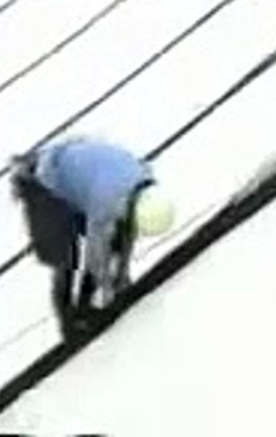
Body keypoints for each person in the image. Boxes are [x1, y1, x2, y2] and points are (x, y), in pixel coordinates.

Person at [10, 136, 166, 338]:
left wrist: (121, 276)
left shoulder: (143, 181)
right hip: (44, 182)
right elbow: (96, 250)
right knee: (65, 257)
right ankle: (69, 323)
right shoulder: (107, 201)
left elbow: (127, 233)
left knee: (116, 235)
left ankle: (88, 301)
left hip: (79, 175)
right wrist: (107, 283)